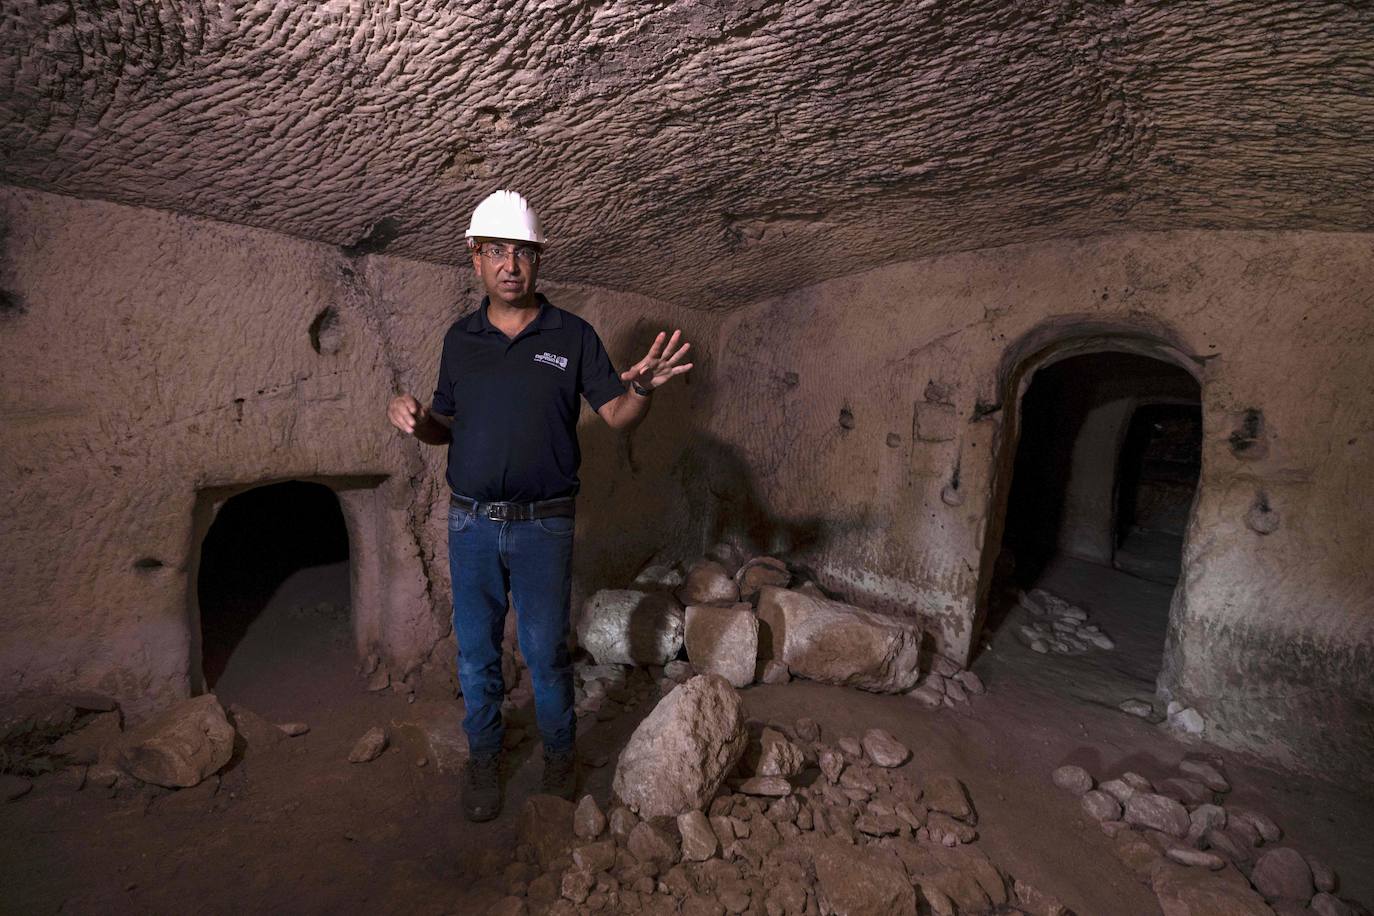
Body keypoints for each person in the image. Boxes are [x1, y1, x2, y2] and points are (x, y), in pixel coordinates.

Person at [385, 190, 692, 822]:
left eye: (522, 252)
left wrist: (641, 388)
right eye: (496, 251)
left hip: (544, 527)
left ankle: (558, 757)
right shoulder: (459, 340)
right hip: (470, 523)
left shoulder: (572, 336)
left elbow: (617, 415)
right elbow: (445, 423)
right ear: (475, 259)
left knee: (548, 652)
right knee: (475, 654)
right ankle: (485, 759)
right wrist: (420, 423)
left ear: (537, 261)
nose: (510, 265)